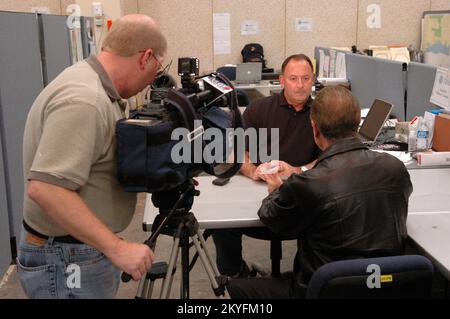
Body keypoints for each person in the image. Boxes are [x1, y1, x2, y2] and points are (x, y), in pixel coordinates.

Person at [18, 14, 167, 299]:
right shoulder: (85, 100)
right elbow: (47, 188)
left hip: (78, 248)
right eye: (158, 68)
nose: (153, 80)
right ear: (145, 57)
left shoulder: (93, 84)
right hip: (66, 257)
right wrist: (117, 248)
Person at [226, 86, 413, 298]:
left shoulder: (310, 183)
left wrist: (278, 191)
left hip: (325, 289)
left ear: (314, 129)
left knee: (235, 288)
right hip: (384, 287)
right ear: (357, 124)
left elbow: (271, 217)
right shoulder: (395, 169)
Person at [212, 54, 320, 278]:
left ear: (313, 80)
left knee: (327, 219)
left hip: (301, 196)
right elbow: (236, 151)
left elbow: (330, 157)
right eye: (293, 78)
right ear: (281, 81)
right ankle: (237, 275)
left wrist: (296, 171)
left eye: (306, 78)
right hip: (256, 196)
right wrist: (252, 170)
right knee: (221, 224)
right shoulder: (259, 109)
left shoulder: (322, 114)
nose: (300, 85)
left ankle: (301, 281)